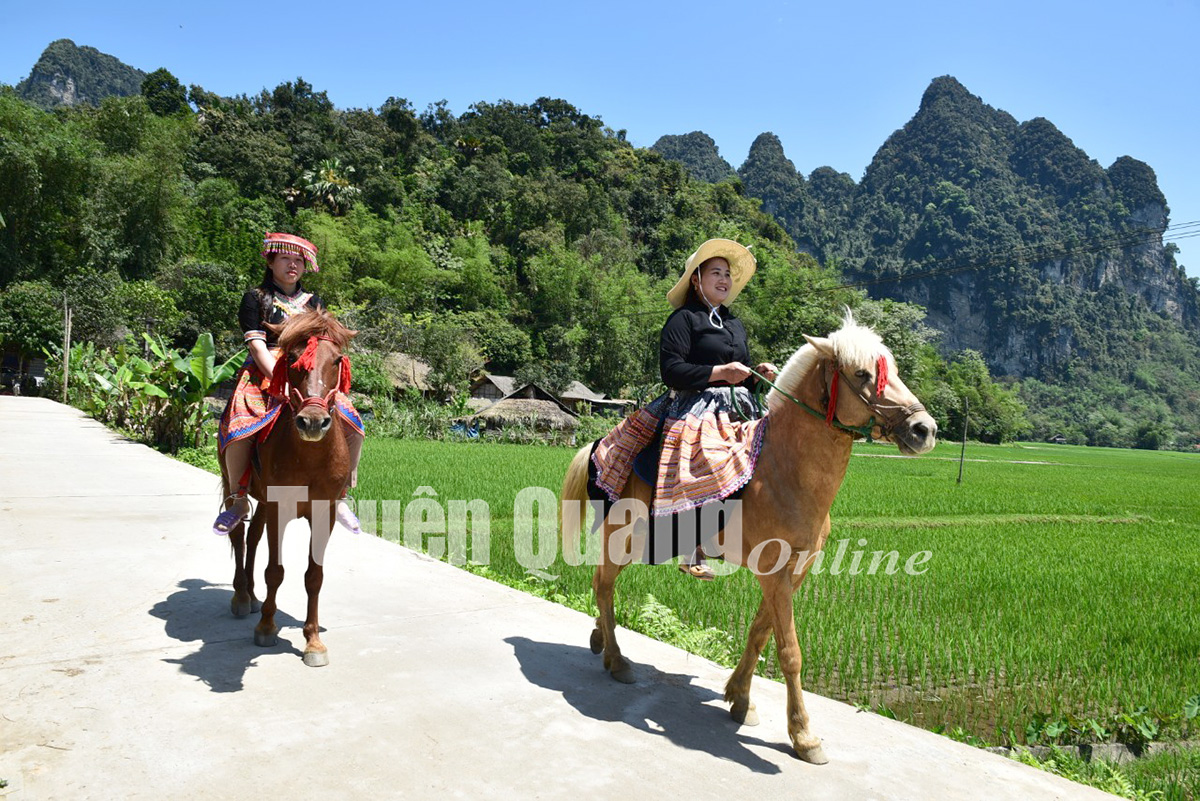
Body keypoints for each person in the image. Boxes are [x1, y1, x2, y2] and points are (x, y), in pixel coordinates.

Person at [590, 239, 778, 580]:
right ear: (697, 279)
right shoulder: (683, 319)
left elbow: (743, 377)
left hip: (740, 405)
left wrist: (757, 378)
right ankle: (694, 545)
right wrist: (720, 373)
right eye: (715, 273)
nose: (724, 279)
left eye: (727, 274)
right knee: (706, 455)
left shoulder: (734, 324)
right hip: (694, 405)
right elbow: (671, 370)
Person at [212, 232, 364, 536]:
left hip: (306, 372)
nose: (292, 265)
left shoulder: (314, 303)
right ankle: (238, 499)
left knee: (352, 420)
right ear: (271, 262)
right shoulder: (255, 299)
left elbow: (321, 345)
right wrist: (277, 378)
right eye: (285, 259)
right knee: (240, 421)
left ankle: (341, 495)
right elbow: (256, 347)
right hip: (263, 370)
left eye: (298, 261)